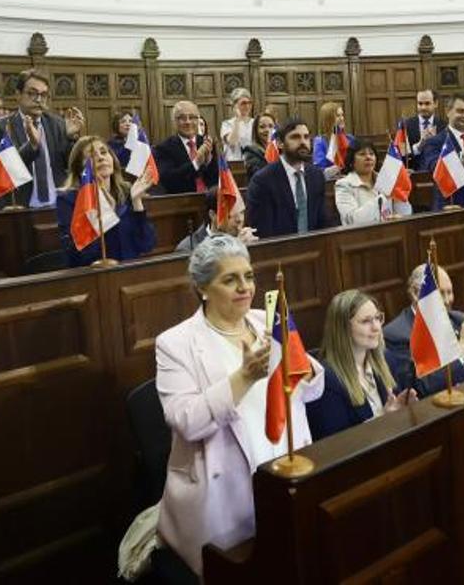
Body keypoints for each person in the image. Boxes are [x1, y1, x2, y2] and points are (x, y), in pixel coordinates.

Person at [154, 235, 324, 578]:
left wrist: (305, 371)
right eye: (229, 279)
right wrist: (244, 378)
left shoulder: (268, 320)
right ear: (202, 288)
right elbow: (186, 421)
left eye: (248, 276)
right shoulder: (175, 343)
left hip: (286, 464)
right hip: (224, 493)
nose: (244, 287)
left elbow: (309, 389)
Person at [306, 290, 416, 441]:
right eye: (366, 321)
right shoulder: (326, 380)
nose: (376, 327)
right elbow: (335, 445)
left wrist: (407, 408)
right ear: (343, 328)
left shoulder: (386, 359)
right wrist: (382, 421)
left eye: (378, 318)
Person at [383, 263, 464, 397]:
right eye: (440, 293)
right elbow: (423, 388)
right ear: (416, 293)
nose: (447, 300)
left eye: (449, 292)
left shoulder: (459, 320)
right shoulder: (397, 335)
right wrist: (462, 346)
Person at [0, 70, 85, 208]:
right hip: (21, 207)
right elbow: (3, 171)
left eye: (43, 95)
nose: (39, 99)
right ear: (18, 95)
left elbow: (72, 164)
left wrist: (71, 138)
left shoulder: (58, 124)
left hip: (57, 205)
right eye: (32, 93)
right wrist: (31, 146)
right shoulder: (0, 128)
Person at [54, 135, 157, 266]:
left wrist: (137, 202)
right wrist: (106, 210)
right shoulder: (69, 199)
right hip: (94, 277)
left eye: (103, 152)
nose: (100, 157)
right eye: (91, 155)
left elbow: (147, 245)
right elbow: (76, 256)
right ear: (79, 168)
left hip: (130, 272)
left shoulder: (125, 191)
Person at [245, 116, 329, 238]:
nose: (303, 142)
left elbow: (323, 221)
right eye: (295, 137)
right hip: (280, 252)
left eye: (306, 137)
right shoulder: (263, 181)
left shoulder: (316, 175)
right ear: (280, 143)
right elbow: (261, 230)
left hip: (314, 249)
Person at [335, 141, 410, 226]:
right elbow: (353, 220)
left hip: (390, 233)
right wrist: (383, 196)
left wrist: (399, 217)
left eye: (371, 154)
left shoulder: (385, 180)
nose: (368, 157)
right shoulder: (343, 185)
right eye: (362, 154)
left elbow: (405, 214)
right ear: (351, 161)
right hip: (360, 236)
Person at [154, 101, 218, 195]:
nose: (188, 122)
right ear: (174, 121)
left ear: (198, 120)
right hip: (181, 203)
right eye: (182, 118)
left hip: (210, 200)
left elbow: (219, 178)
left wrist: (209, 162)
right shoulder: (163, 148)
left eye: (192, 117)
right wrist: (196, 163)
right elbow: (169, 180)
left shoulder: (207, 143)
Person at [173, 188, 258, 253]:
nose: (239, 219)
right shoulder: (188, 248)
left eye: (242, 212)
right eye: (231, 215)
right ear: (213, 215)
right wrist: (235, 247)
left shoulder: (247, 239)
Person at [401, 89, 447, 170]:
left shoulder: (444, 126)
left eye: (427, 103)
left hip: (438, 173)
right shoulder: (405, 126)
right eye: (420, 103)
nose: (423, 107)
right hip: (414, 174)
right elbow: (401, 153)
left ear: (435, 103)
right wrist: (418, 146)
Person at [312, 101, 354, 178]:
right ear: (328, 119)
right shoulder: (320, 141)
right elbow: (319, 171)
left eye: (342, 115)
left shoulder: (350, 138)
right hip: (331, 183)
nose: (342, 118)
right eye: (338, 116)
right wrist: (339, 167)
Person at [220, 88, 255, 162]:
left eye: (249, 103)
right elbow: (232, 142)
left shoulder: (255, 122)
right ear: (235, 105)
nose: (247, 106)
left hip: (253, 162)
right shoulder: (227, 124)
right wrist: (238, 120)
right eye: (243, 103)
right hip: (234, 163)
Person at [242, 110, 276, 180]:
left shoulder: (281, 149)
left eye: (271, 126)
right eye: (262, 127)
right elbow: (260, 175)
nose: (267, 130)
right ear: (256, 130)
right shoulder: (250, 151)